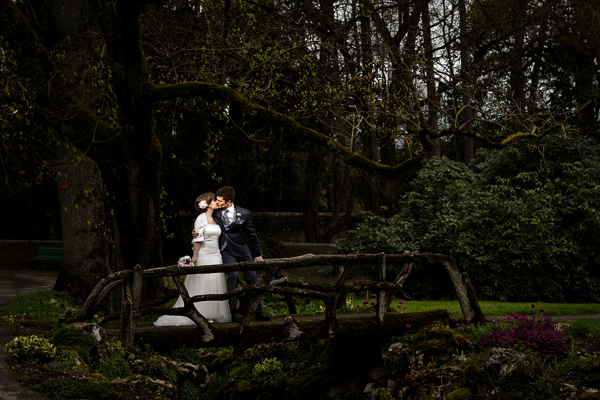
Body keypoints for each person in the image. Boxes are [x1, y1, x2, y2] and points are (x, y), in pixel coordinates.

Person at [195, 186, 270, 322]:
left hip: (242, 251)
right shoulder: (215, 213)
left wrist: (258, 254)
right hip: (226, 251)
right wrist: (194, 232)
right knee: (233, 275)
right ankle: (234, 312)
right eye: (216, 200)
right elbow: (202, 221)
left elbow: (252, 235)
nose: (217, 202)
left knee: (252, 279)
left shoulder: (244, 213)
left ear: (229, 202)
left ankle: (259, 311)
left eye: (220, 201)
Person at [155, 192, 231, 326]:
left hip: (216, 255)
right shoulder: (201, 218)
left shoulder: (216, 218)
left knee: (214, 282)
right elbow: (197, 239)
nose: (216, 202)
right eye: (214, 200)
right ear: (207, 203)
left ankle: (212, 313)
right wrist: (195, 257)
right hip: (205, 254)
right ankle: (201, 313)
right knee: (204, 282)